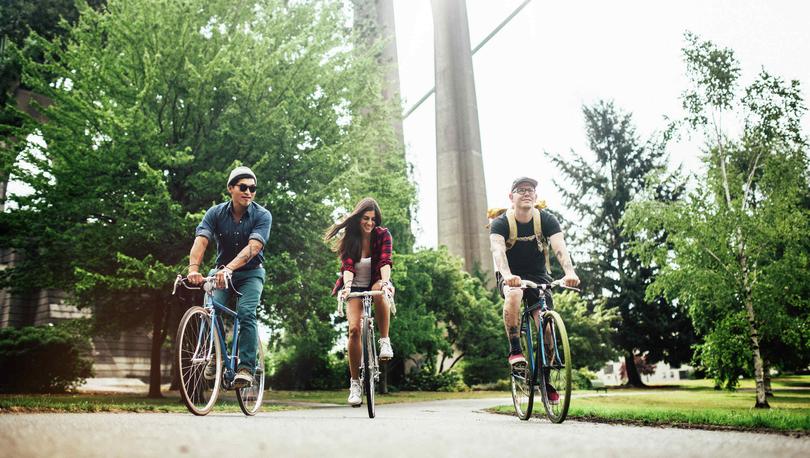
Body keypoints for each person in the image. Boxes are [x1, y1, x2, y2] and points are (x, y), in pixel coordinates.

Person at [489, 177, 579, 404]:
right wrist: (508, 277)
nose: (526, 193)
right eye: (520, 190)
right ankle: (515, 351)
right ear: (512, 197)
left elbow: (560, 247)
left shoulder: (546, 220)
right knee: (515, 294)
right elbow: (498, 251)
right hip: (510, 275)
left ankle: (544, 378)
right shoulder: (501, 223)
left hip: (539, 277)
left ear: (536, 197)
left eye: (530, 190)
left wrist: (569, 272)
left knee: (547, 327)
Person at [187, 166, 272, 389]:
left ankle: (246, 368)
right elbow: (202, 240)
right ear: (230, 189)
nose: (249, 192)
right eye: (243, 187)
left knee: (245, 313)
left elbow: (254, 247)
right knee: (210, 309)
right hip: (221, 271)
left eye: (252, 188)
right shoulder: (214, 213)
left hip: (251, 273)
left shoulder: (262, 215)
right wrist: (193, 269)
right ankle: (216, 357)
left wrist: (229, 269)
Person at [324, 197, 395, 407]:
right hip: (354, 286)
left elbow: (385, 261)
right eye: (365, 218)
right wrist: (346, 287)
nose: (370, 223)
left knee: (380, 292)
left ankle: (384, 340)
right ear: (358, 218)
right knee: (354, 330)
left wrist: (385, 282)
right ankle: (355, 383)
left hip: (375, 282)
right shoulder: (351, 238)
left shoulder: (383, 235)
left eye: (373, 219)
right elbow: (347, 266)